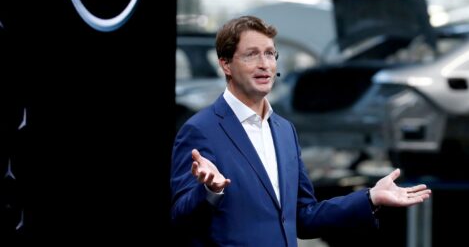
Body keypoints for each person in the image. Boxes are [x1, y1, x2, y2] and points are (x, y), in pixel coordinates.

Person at [170, 15, 431, 246]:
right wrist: (209, 192)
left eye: (270, 53)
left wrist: (370, 198)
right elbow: (179, 219)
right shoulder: (200, 130)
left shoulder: (284, 131)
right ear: (226, 64)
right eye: (252, 54)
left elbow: (304, 218)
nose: (265, 64)